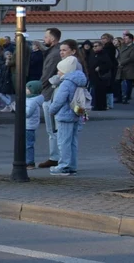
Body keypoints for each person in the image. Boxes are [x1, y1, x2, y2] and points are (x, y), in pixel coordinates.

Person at [47, 47, 86, 175]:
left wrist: (51, 110)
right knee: (73, 141)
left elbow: (59, 100)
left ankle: (63, 165)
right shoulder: (79, 80)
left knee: (63, 141)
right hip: (76, 113)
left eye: (59, 69)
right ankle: (72, 165)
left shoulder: (66, 83)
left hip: (64, 115)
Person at [37, 28, 64, 169]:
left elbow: (47, 74)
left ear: (52, 39)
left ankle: (55, 157)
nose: (44, 39)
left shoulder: (54, 54)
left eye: (46, 37)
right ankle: (58, 157)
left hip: (50, 93)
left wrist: (38, 88)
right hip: (51, 92)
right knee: (55, 129)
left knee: (52, 129)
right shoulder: (54, 52)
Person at [23, 80, 44, 169]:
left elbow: (27, 113)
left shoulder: (32, 101)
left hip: (29, 125)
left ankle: (30, 162)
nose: (25, 90)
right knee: (27, 144)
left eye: (27, 89)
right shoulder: (30, 99)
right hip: (28, 124)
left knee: (28, 145)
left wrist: (18, 108)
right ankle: (27, 161)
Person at [117, 32, 134, 104]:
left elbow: (132, 58)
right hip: (121, 67)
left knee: (128, 83)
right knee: (119, 82)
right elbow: (119, 55)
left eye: (126, 38)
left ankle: (127, 97)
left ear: (131, 39)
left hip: (129, 67)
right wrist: (119, 62)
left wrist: (122, 62)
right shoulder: (123, 46)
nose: (125, 40)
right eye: (124, 38)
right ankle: (120, 97)